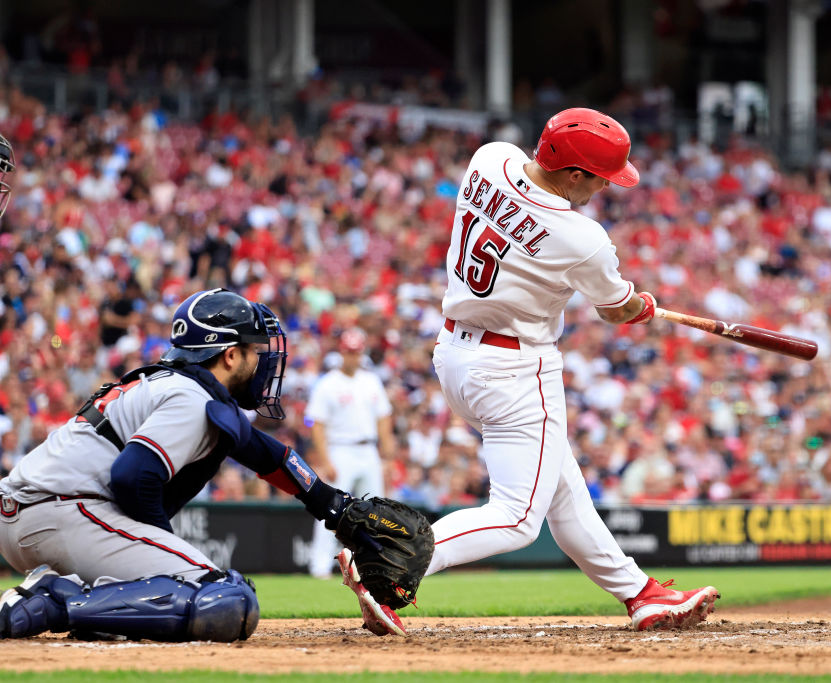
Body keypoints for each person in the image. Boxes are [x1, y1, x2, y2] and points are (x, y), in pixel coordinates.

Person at [426, 107, 718, 631]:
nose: (604, 189)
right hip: (514, 368)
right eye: (601, 179)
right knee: (517, 519)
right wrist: (640, 305)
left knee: (563, 491)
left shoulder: (490, 158)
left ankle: (640, 593)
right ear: (576, 173)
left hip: (455, 353)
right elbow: (615, 309)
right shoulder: (582, 237)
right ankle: (391, 558)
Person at [0, 289, 407, 640]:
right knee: (225, 598)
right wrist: (161, 553)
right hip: (63, 513)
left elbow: (265, 454)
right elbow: (132, 476)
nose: (262, 361)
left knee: (166, 595)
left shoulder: (177, 385)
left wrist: (334, 507)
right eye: (253, 350)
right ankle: (53, 600)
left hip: (33, 512)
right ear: (230, 355)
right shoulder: (191, 398)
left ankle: (81, 602)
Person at [304, 328, 396, 579]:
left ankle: (378, 564)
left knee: (377, 510)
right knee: (329, 509)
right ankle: (319, 566)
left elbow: (384, 416)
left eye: (357, 352)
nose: (353, 357)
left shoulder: (371, 380)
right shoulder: (328, 383)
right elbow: (316, 424)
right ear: (341, 352)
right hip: (340, 449)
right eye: (349, 352)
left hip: (368, 449)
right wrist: (325, 459)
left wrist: (386, 449)